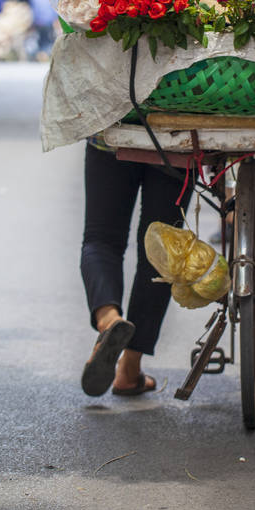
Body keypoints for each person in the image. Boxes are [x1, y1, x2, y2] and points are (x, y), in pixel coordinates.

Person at [79, 138, 195, 397]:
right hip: (176, 138)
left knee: (101, 240)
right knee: (159, 255)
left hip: (111, 131)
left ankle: (108, 319)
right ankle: (129, 370)